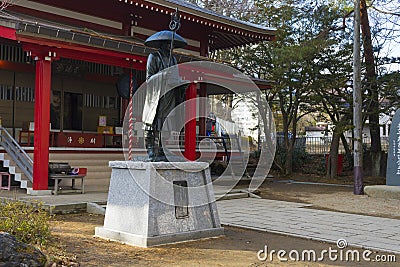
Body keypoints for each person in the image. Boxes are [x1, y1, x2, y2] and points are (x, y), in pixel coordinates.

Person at [143, 30, 187, 161]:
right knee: (156, 123)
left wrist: (182, 83)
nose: (170, 47)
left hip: (170, 94)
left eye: (171, 45)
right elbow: (149, 79)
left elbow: (176, 78)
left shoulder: (173, 59)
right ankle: (153, 151)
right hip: (158, 96)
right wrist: (162, 75)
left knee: (168, 124)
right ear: (162, 45)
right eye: (168, 44)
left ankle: (164, 150)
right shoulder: (154, 57)